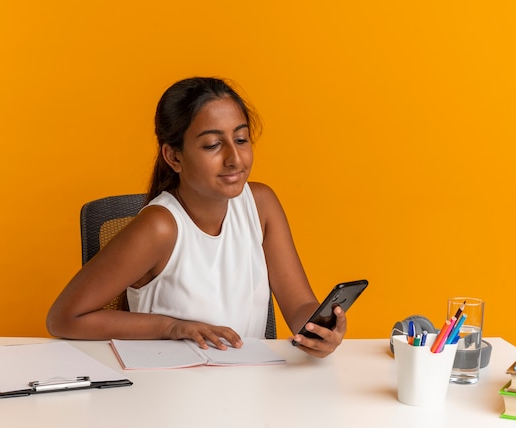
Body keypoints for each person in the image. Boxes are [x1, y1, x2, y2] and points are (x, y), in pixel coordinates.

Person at [47, 77, 346, 358]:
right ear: (174, 157)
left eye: (240, 139)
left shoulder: (261, 204)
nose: (234, 159)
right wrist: (170, 327)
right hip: (170, 395)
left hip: (247, 391)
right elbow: (64, 318)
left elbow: (299, 307)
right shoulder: (160, 227)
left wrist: (320, 329)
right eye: (212, 145)